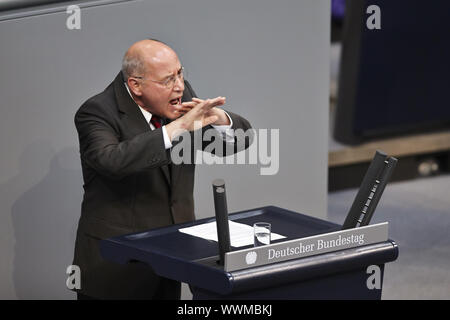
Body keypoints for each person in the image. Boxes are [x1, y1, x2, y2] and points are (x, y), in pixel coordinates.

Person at [71, 39, 252, 300]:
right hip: (117, 267)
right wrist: (176, 128)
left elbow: (236, 142)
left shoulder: (179, 96)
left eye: (180, 73)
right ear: (136, 85)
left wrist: (221, 119)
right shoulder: (97, 112)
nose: (179, 85)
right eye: (168, 80)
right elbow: (112, 161)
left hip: (171, 258)